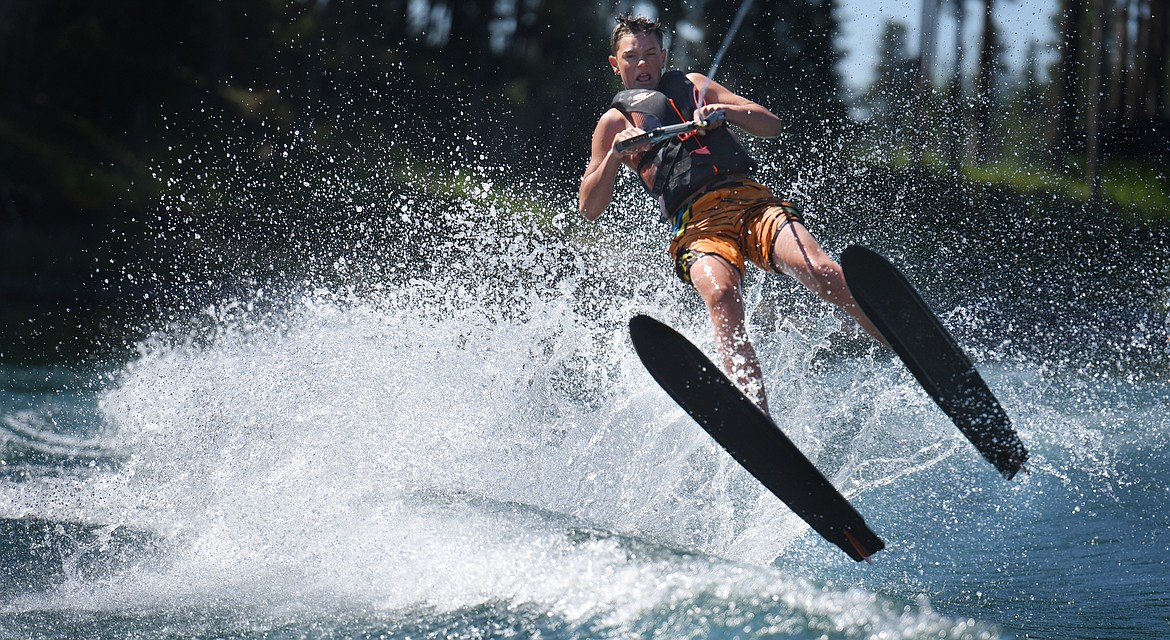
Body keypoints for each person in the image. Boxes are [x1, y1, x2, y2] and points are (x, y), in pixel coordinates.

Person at [578, 14, 884, 414]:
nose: (642, 64)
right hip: (698, 226)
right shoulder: (613, 124)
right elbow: (589, 208)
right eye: (631, 57)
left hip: (753, 203)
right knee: (722, 295)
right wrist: (617, 156)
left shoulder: (695, 85)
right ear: (615, 64)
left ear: (663, 56)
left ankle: (896, 340)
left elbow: (771, 125)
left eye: (650, 54)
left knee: (821, 271)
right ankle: (757, 417)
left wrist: (725, 111)